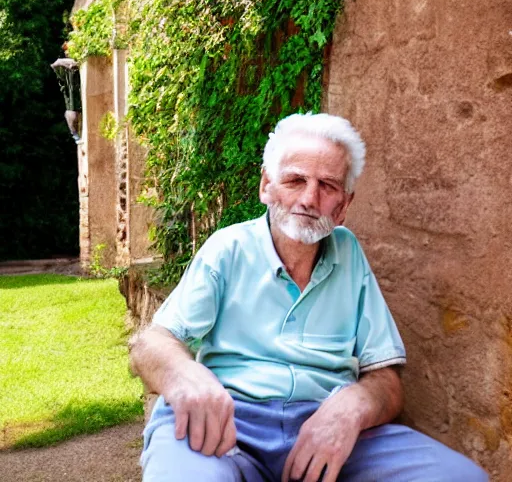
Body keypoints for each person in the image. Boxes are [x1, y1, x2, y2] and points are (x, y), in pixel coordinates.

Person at [130, 113, 488, 482]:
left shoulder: (349, 255)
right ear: (266, 186)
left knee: (461, 477)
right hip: (227, 424)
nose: (309, 198)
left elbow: (387, 378)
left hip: (327, 425)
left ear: (344, 205)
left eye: (328, 186)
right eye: (295, 180)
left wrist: (352, 408)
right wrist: (185, 375)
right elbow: (152, 343)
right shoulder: (228, 248)